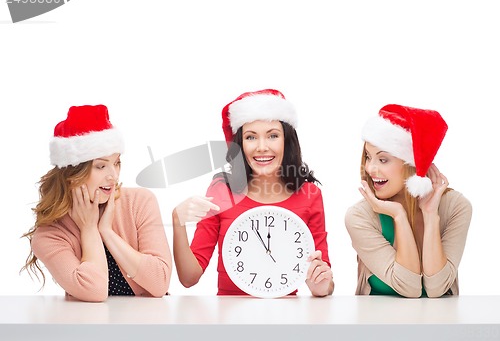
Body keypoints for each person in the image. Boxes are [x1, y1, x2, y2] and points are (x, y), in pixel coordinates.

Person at [172, 89, 334, 297]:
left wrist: (321, 284)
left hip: (287, 315)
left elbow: (325, 278)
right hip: (228, 316)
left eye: (273, 136)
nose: (262, 147)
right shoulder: (222, 191)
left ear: (287, 140)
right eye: (251, 137)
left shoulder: (309, 194)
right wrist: (178, 221)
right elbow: (189, 278)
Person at [21, 105, 172, 302]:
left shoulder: (139, 202)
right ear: (73, 175)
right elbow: (95, 291)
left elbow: (160, 283)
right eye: (101, 166)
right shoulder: (49, 236)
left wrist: (107, 232)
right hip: (89, 327)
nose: (114, 176)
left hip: (148, 323)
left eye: (116, 163)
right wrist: (89, 229)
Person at [345, 104, 472, 298]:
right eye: (368, 157)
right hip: (377, 324)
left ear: (412, 166)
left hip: (439, 325)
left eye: (383, 160)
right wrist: (399, 215)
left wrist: (430, 215)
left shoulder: (456, 207)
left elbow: (437, 288)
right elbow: (409, 287)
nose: (370, 169)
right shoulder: (360, 216)